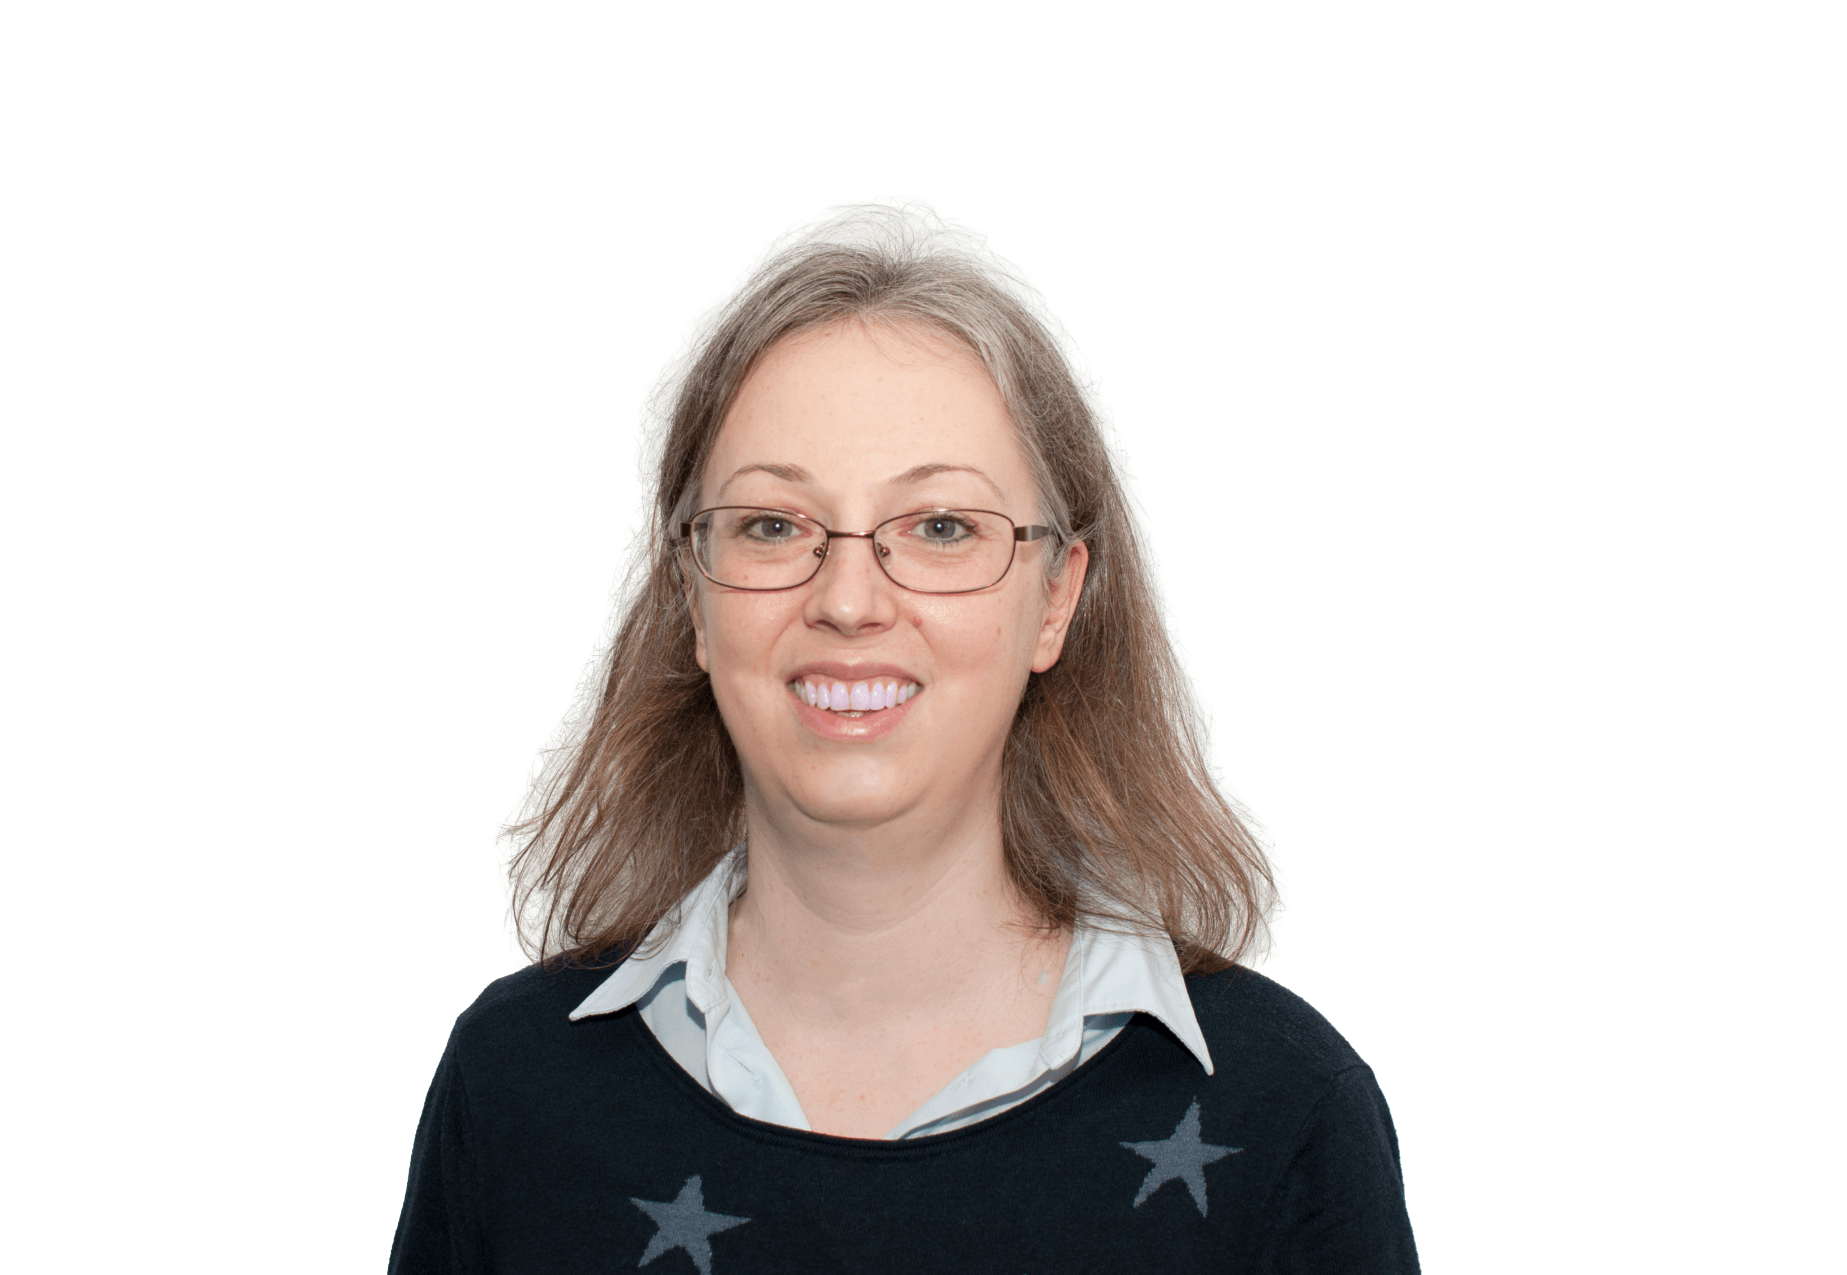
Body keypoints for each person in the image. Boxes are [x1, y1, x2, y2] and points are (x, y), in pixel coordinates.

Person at [390, 196, 1420, 1273]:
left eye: (940, 527)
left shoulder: (1281, 1116)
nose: (848, 600)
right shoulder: (517, 1092)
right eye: (772, 525)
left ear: (1056, 598)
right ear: (694, 592)